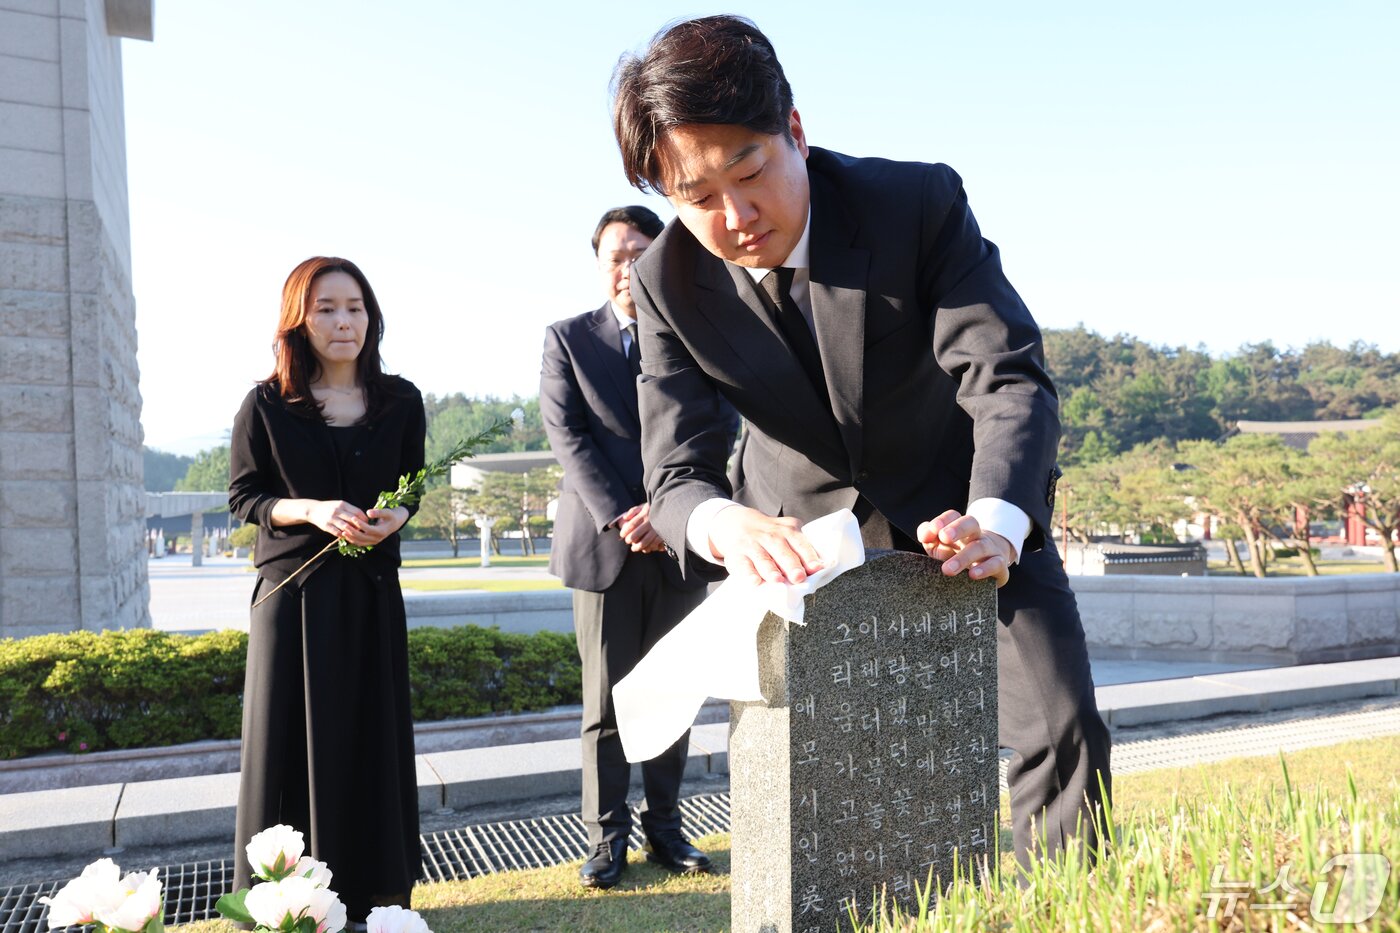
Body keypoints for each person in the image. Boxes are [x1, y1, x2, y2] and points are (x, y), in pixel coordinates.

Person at [611, 16, 1112, 871]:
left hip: (964, 521)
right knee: (825, 798)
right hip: (793, 547)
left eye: (749, 170)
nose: (734, 216)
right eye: (696, 199)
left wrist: (998, 518)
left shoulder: (914, 204)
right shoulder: (665, 282)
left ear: (795, 132)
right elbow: (675, 472)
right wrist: (726, 527)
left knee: (1060, 730)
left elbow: (1007, 377)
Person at [228, 256, 425, 921]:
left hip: (370, 595)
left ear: (372, 317)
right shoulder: (265, 404)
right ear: (298, 319)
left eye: (356, 307)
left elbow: (413, 486)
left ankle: (372, 896)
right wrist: (312, 509)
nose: (344, 322)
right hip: (294, 596)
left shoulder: (401, 400)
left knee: (371, 739)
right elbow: (246, 496)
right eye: (326, 308)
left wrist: (396, 515)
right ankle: (288, 901)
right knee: (287, 746)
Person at [540, 206, 727, 889]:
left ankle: (669, 830)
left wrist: (669, 513)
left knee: (673, 696)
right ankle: (605, 839)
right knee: (606, 706)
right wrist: (627, 514)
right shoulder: (567, 339)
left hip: (680, 544)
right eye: (616, 256)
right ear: (599, 265)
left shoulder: (697, 336)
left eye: (640, 253)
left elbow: (713, 428)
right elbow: (569, 438)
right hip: (605, 550)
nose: (628, 268)